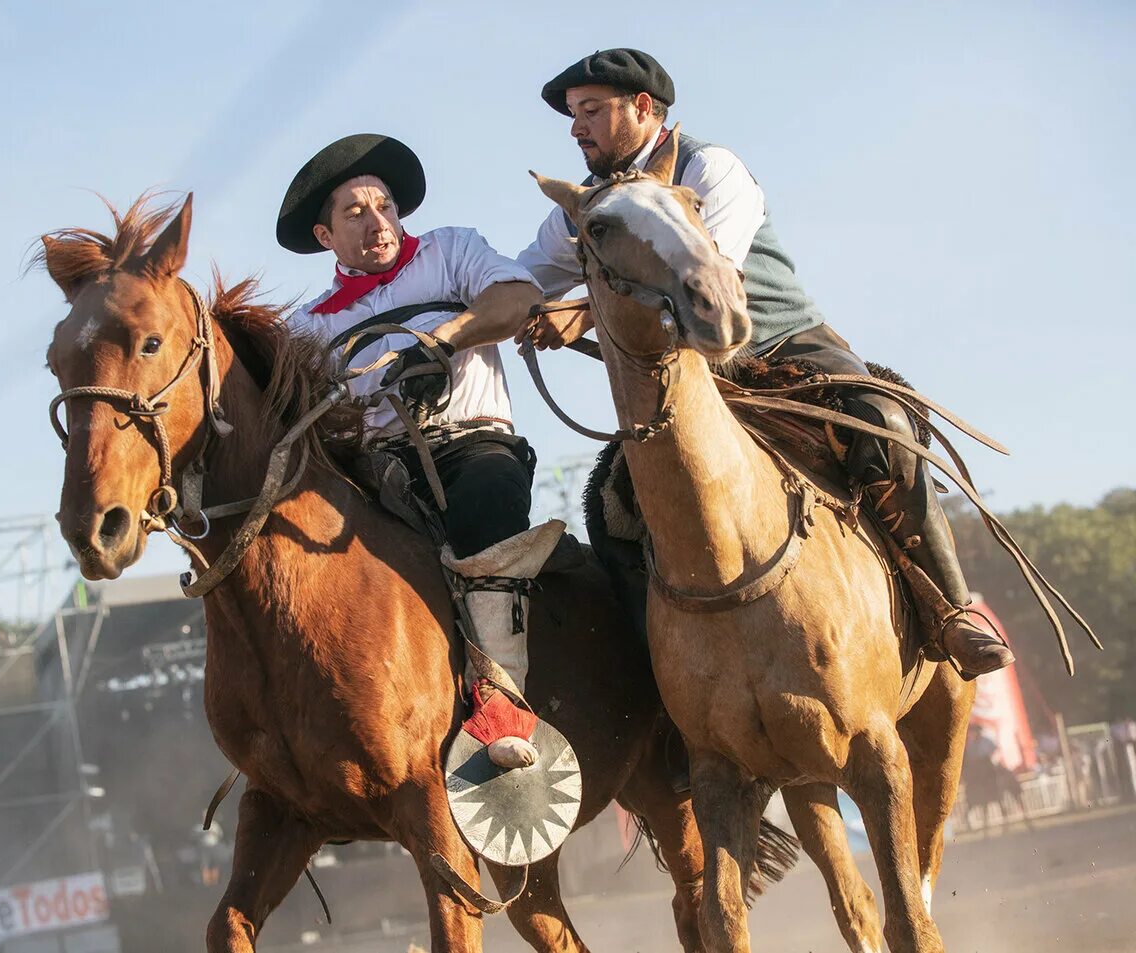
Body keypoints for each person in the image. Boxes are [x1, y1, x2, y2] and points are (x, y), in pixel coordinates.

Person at [519, 48, 1012, 678]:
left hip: (785, 345)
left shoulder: (709, 166)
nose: (575, 128)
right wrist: (489, 309)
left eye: (590, 111)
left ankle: (950, 610)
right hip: (693, 382)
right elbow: (523, 275)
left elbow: (706, 274)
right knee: (613, 505)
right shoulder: (589, 208)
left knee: (884, 420)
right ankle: (667, 693)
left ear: (642, 108)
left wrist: (581, 312)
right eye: (572, 115)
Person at [277, 134, 558, 766]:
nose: (378, 221)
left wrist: (441, 342)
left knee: (488, 502)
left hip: (473, 445)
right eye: (355, 212)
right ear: (325, 237)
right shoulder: (306, 327)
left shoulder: (451, 250)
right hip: (376, 467)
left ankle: (502, 703)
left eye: (384, 206)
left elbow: (518, 299)